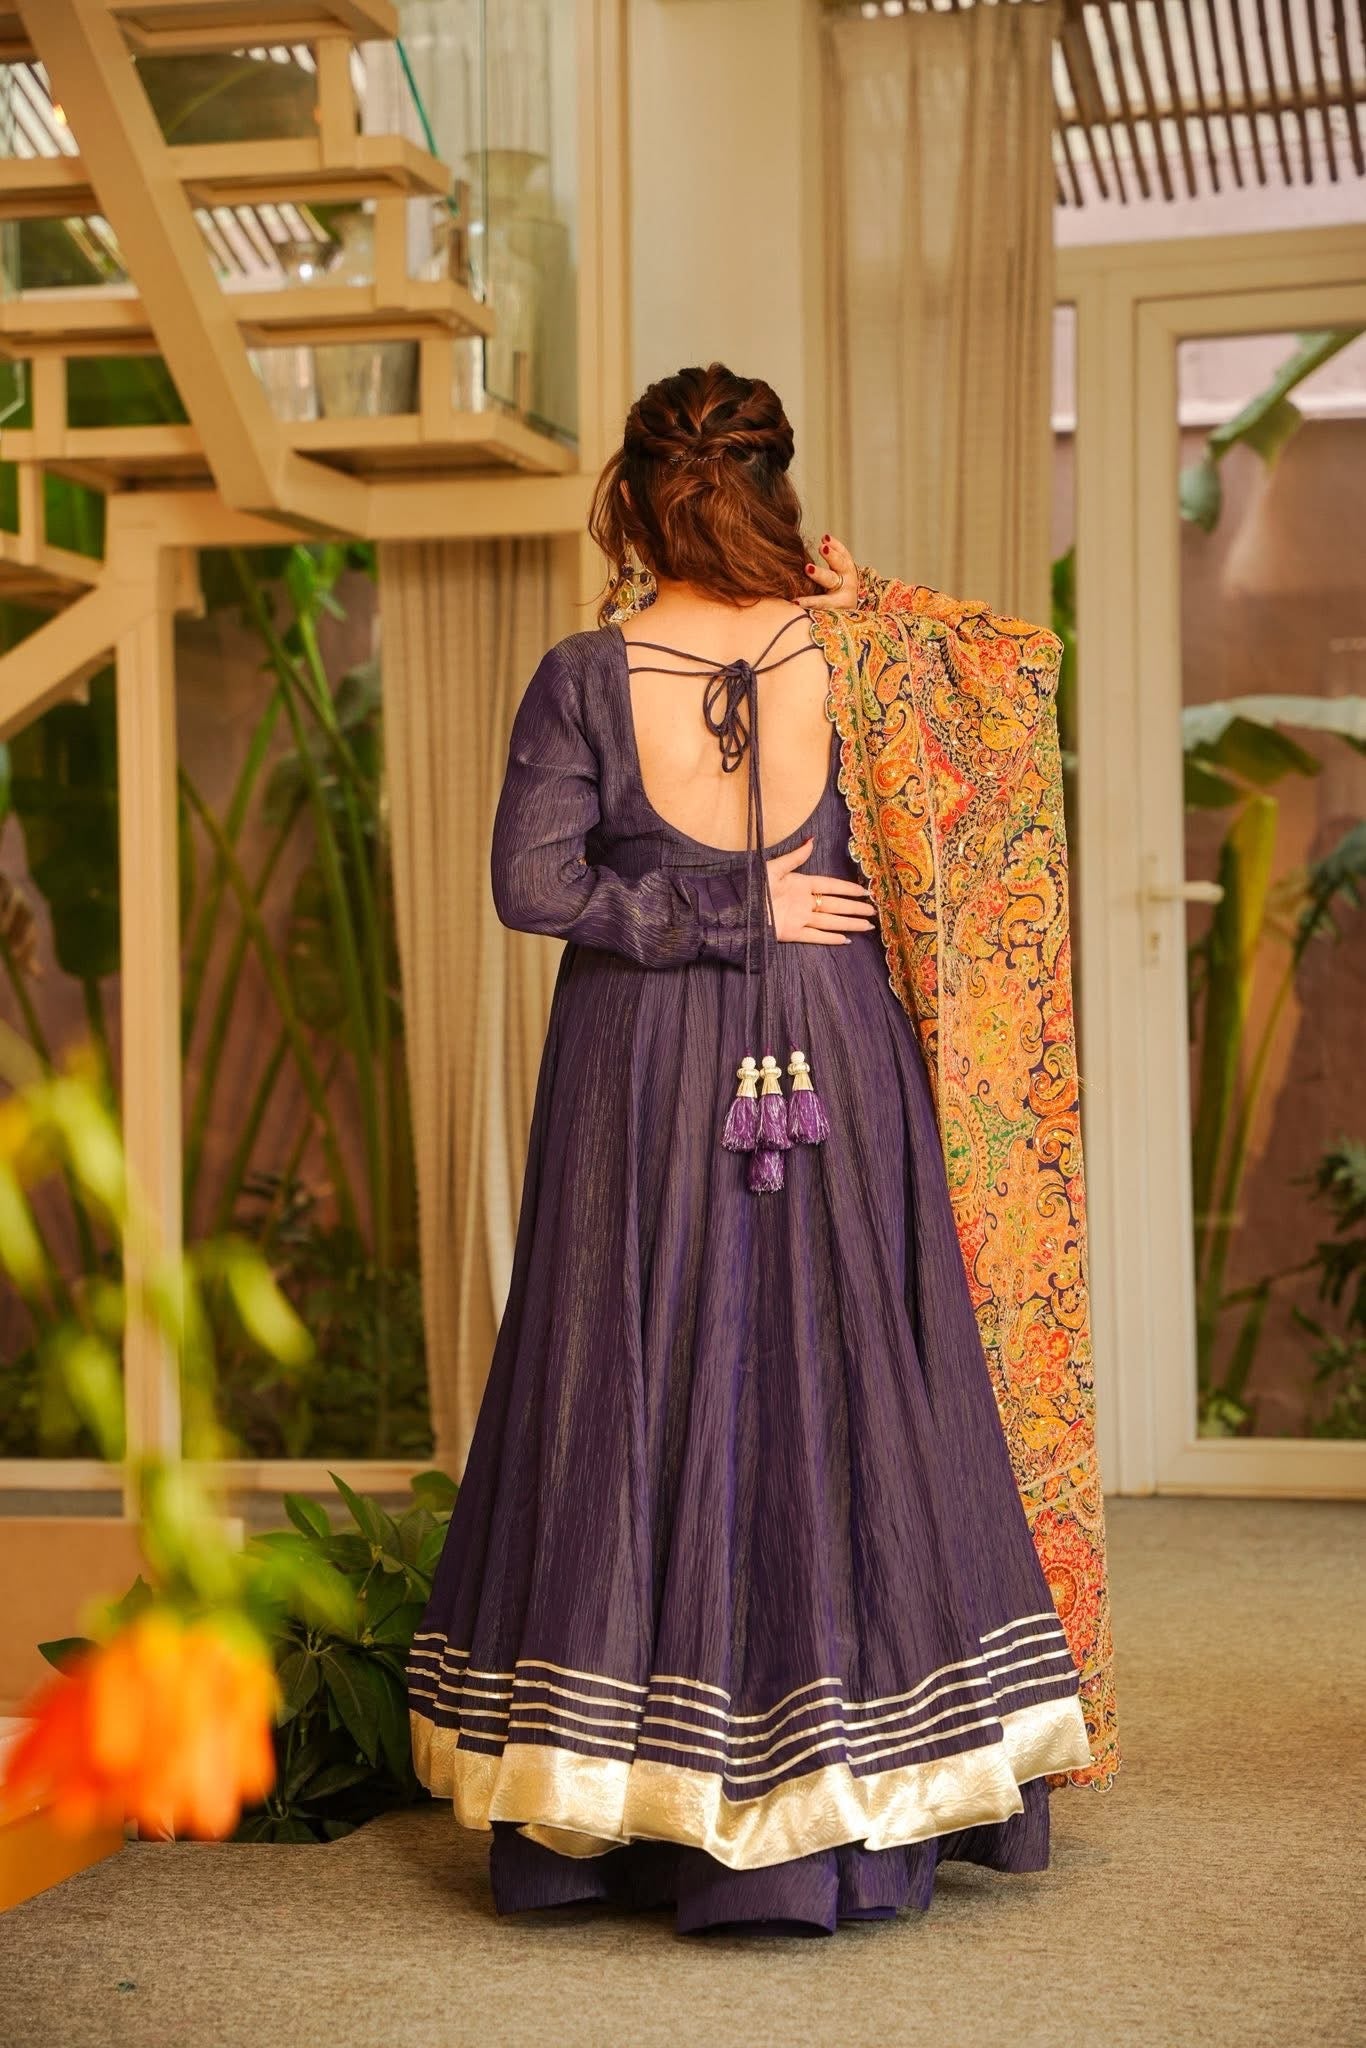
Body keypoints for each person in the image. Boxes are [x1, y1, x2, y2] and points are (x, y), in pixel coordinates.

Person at [406, 362, 1104, 1937]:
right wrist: (874, 605)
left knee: (631, 1370)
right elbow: (1014, 680)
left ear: (629, 499)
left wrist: (702, 906)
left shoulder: (586, 671)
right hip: (833, 1045)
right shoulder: (859, 649)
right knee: (845, 1374)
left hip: (643, 1065)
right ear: (777, 488)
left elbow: (534, 885)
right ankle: (859, 1799)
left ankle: (614, 1809)